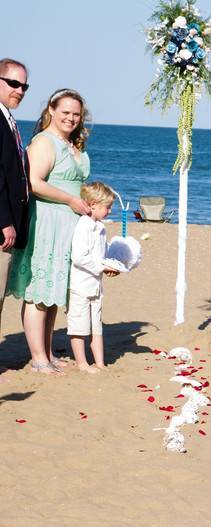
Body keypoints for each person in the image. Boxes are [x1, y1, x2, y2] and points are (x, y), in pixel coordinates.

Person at [7, 89, 91, 375]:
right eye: (65, 112)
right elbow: (33, 182)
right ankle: (38, 358)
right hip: (47, 223)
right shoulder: (44, 142)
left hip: (69, 225)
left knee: (53, 293)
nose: (70, 118)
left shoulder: (70, 144)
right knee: (39, 292)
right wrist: (70, 200)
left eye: (76, 114)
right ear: (51, 111)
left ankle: (49, 351)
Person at [0, 58, 30, 384]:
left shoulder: (9, 121)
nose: (19, 91)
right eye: (13, 83)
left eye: (24, 86)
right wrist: (4, 220)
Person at [68, 182, 118, 373]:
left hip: (96, 286)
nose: (110, 211)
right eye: (107, 207)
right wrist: (101, 267)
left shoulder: (100, 227)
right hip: (81, 285)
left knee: (97, 326)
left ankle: (100, 362)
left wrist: (112, 265)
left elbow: (102, 253)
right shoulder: (84, 226)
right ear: (92, 205)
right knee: (79, 325)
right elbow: (79, 257)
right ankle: (81, 363)